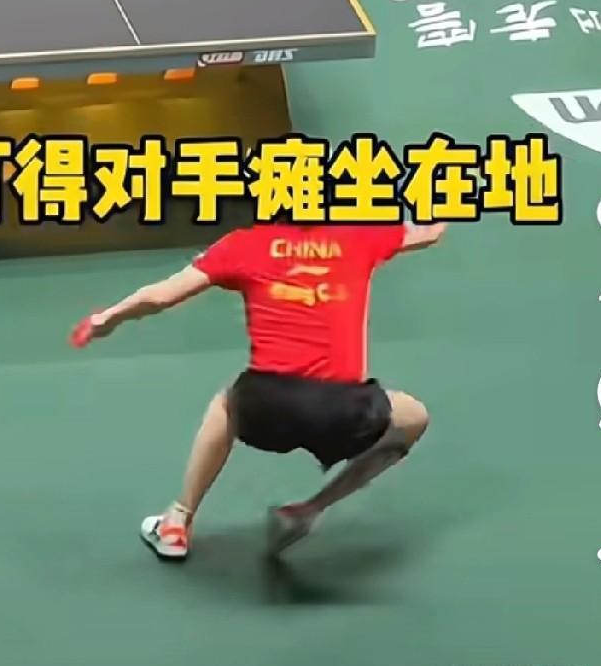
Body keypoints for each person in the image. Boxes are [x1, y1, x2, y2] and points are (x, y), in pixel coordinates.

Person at [71, 216, 446, 559]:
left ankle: (178, 521)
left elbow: (160, 297)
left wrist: (108, 318)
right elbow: (429, 230)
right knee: (413, 417)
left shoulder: (242, 244)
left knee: (227, 404)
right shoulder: (361, 235)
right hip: (343, 412)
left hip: (266, 408)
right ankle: (306, 512)